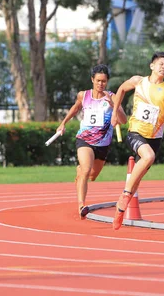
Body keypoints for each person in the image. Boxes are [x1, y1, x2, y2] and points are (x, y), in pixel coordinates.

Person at [109, 52, 164, 230]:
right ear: (152, 66)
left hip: (154, 138)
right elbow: (120, 90)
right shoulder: (138, 81)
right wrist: (115, 112)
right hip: (135, 132)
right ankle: (125, 195)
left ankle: (119, 211)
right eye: (161, 64)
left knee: (137, 179)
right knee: (148, 157)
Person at [56, 64, 127, 220]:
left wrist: (113, 106)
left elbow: (123, 120)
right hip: (85, 140)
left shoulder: (112, 97)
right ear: (92, 80)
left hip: (103, 144)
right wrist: (63, 123)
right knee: (86, 170)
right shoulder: (84, 95)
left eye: (104, 81)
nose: (100, 84)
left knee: (92, 176)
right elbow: (75, 109)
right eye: (98, 81)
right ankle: (81, 205)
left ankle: (80, 172)